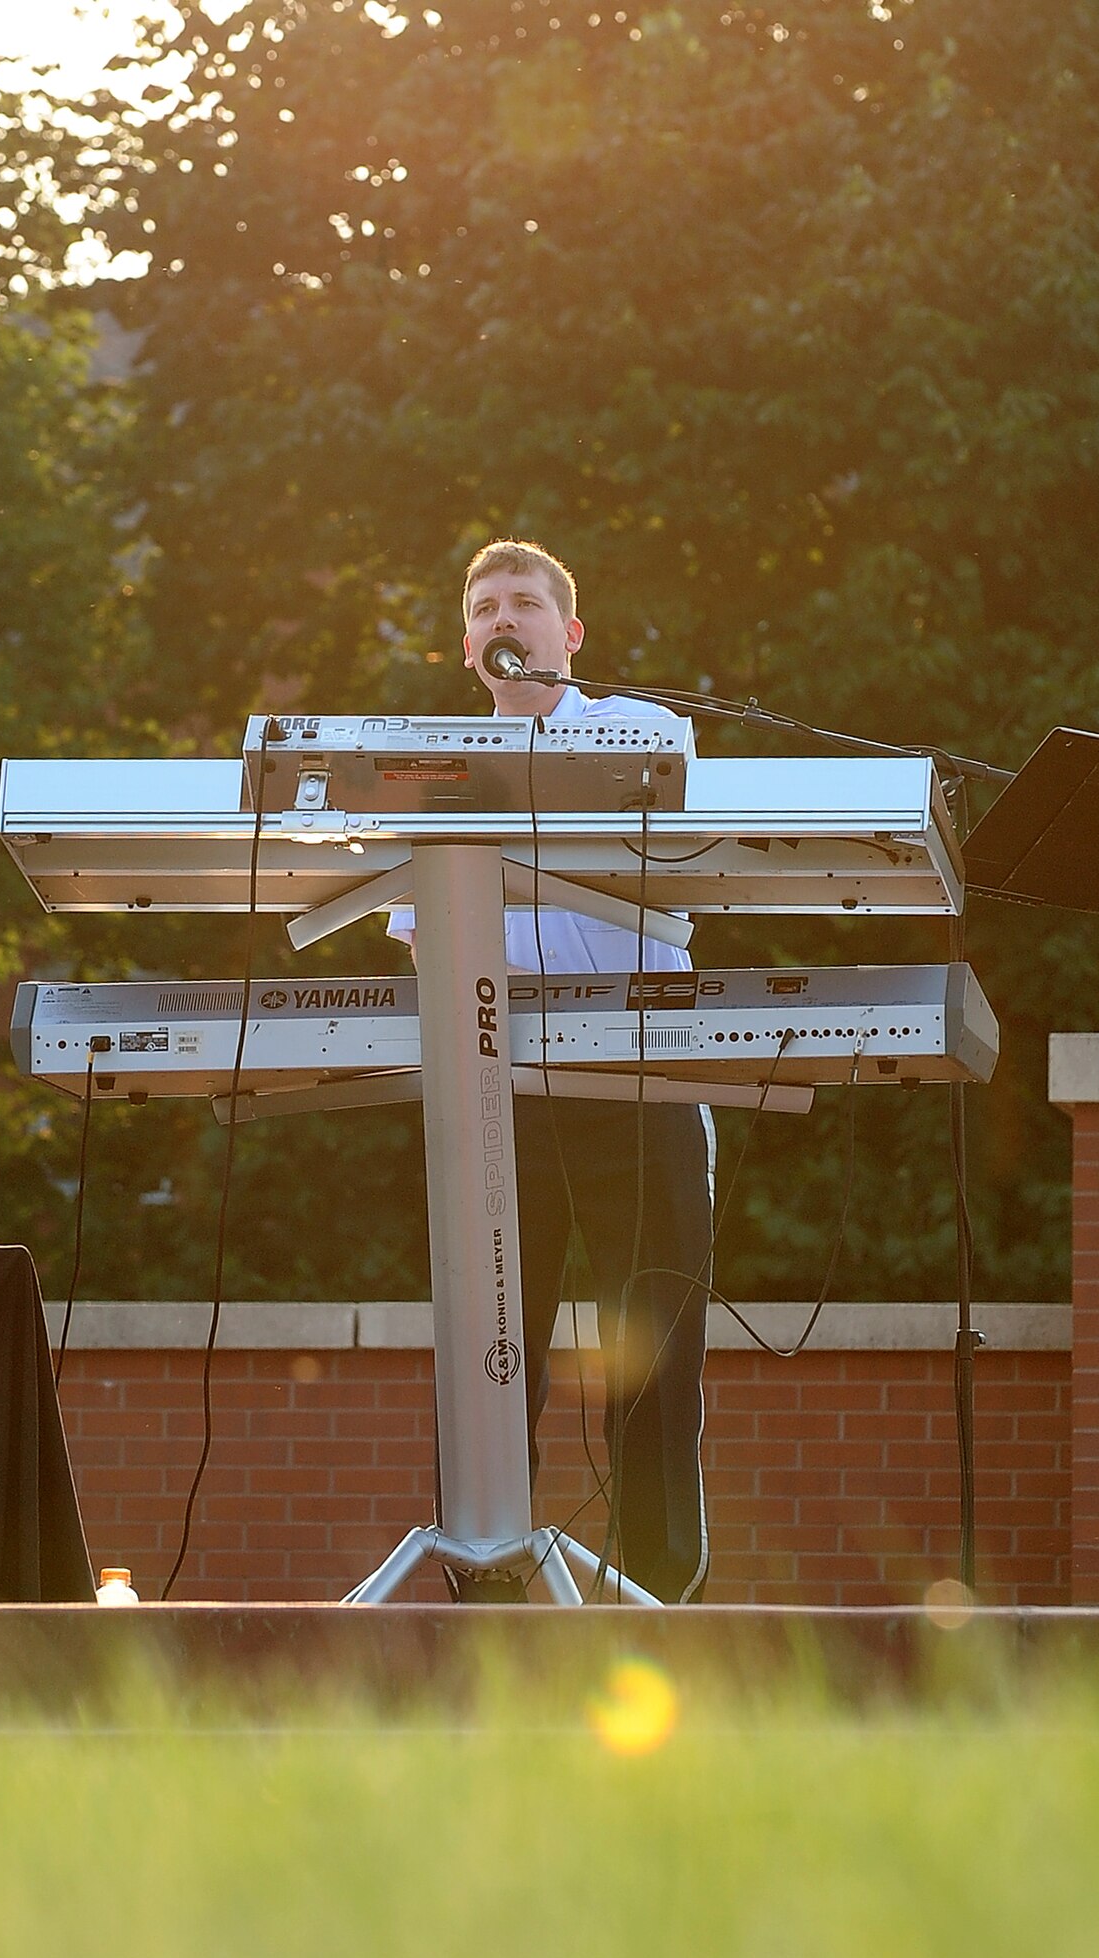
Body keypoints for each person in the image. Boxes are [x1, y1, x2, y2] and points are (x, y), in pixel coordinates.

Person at [388, 538, 713, 1605]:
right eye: (484, 605)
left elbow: (667, 865)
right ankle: (487, 1599)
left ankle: (658, 1603)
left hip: (637, 1085)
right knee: (492, 1359)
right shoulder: (430, 761)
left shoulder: (643, 732)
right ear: (466, 645)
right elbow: (422, 932)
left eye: (524, 601)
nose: (502, 615)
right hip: (500, 1090)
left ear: (568, 636)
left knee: (652, 1367)